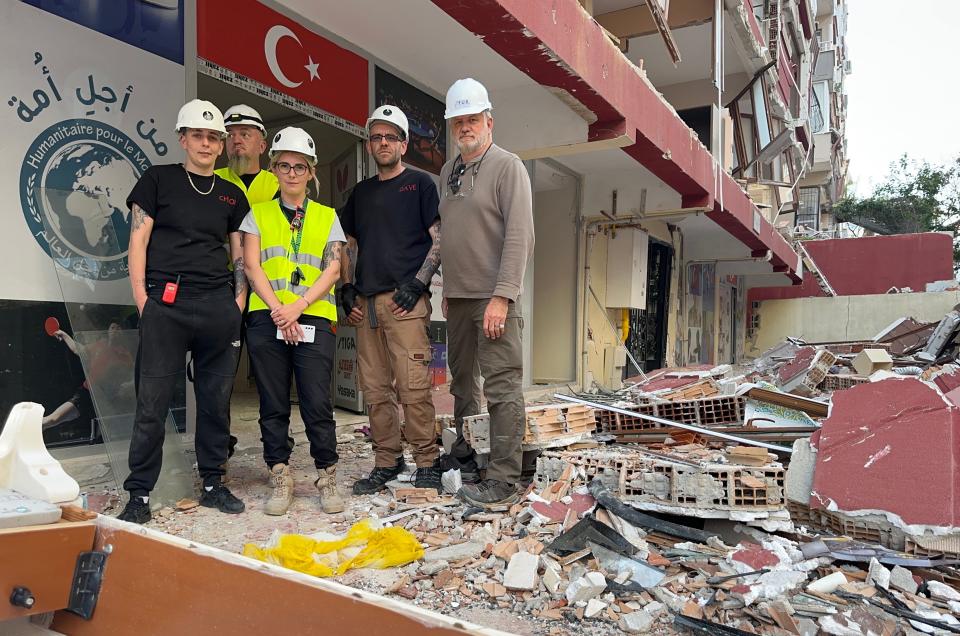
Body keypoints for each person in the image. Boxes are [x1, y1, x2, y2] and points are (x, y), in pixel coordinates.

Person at [117, 99, 249, 524]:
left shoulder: (232, 193)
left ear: (221, 143)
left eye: (214, 137)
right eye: (198, 135)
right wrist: (143, 301)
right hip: (166, 306)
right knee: (152, 402)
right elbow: (138, 242)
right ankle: (139, 493)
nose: (206, 143)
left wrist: (238, 303)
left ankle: (213, 483)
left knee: (215, 402)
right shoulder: (158, 180)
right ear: (183, 139)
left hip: (217, 307)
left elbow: (240, 254)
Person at [436, 79, 535, 508]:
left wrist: (503, 296)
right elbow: (450, 236)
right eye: (458, 122)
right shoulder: (448, 171)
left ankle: (505, 478)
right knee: (462, 384)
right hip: (458, 298)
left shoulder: (507, 166)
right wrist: (447, 289)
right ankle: (470, 457)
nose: (465, 128)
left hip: (493, 298)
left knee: (501, 386)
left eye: (472, 119)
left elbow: (519, 235)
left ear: (489, 121)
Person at [241, 127, 346, 515]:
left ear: (311, 171)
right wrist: (278, 311)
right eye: (283, 165)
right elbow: (252, 265)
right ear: (274, 168)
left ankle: (327, 474)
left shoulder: (327, 216)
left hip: (313, 315)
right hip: (268, 316)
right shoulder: (258, 214)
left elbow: (332, 269)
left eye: (299, 166)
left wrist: (297, 307)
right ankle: (280, 474)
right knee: (272, 401)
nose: (291, 172)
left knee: (317, 400)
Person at [338, 105, 442, 495]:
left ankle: (427, 461)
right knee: (376, 389)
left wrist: (418, 283)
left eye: (390, 137)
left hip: (405, 303)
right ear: (369, 145)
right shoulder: (360, 194)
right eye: (376, 137)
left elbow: (439, 238)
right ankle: (387, 460)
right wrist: (345, 289)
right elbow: (349, 244)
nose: (383, 143)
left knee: (414, 386)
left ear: (404, 143)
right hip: (366, 306)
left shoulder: (420, 185)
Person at [215, 104, 280, 458]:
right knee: (220, 369)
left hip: (267, 289)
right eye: (231, 135)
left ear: (262, 144)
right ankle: (219, 442)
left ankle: (276, 446)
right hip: (222, 285)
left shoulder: (277, 182)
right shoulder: (215, 178)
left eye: (246, 134)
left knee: (270, 370)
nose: (237, 140)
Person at [215, 104, 279, 203]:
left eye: (244, 134)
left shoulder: (278, 184)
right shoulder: (212, 179)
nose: (236, 140)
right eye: (230, 135)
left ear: (262, 146)